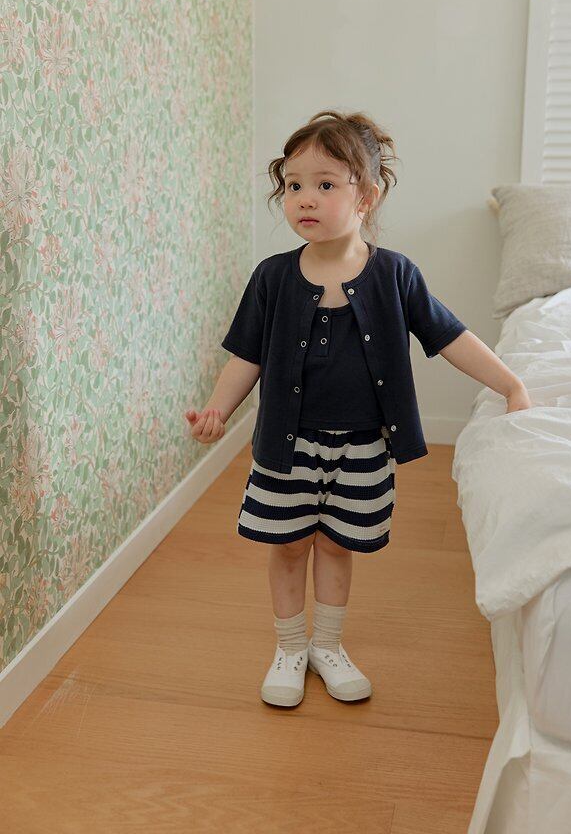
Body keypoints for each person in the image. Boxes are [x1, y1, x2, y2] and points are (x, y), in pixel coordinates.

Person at [184, 109, 532, 708]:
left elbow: (450, 336)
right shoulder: (272, 277)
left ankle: (327, 645)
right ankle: (289, 649)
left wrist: (511, 385)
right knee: (288, 546)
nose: (304, 198)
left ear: (366, 196)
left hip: (364, 446)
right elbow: (247, 355)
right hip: (287, 445)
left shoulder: (395, 274)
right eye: (293, 185)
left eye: (325, 184)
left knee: (337, 545)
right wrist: (218, 410)